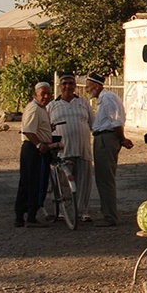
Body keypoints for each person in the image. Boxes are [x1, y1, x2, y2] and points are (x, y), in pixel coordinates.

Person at [83, 72, 133, 227]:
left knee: (105, 179)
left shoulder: (107, 98)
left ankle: (110, 216)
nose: (86, 89)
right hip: (104, 138)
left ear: (97, 86)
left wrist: (122, 139)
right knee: (103, 178)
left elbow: (116, 122)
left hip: (106, 139)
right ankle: (108, 213)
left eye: (88, 86)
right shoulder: (104, 99)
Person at [47, 73, 94, 225]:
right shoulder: (52, 106)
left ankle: (82, 212)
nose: (68, 86)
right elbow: (46, 128)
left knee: (83, 183)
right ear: (60, 86)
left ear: (75, 86)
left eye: (71, 83)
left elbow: (93, 124)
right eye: (65, 83)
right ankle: (63, 212)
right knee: (63, 184)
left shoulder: (84, 103)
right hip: (63, 152)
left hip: (83, 149)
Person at [15, 82, 53, 227]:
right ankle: (30, 216)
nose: (46, 96)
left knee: (28, 182)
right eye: (43, 93)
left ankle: (20, 217)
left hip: (36, 149)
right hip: (34, 150)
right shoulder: (34, 108)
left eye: (49, 93)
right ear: (35, 94)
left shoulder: (41, 109)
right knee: (34, 183)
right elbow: (28, 130)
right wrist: (39, 144)